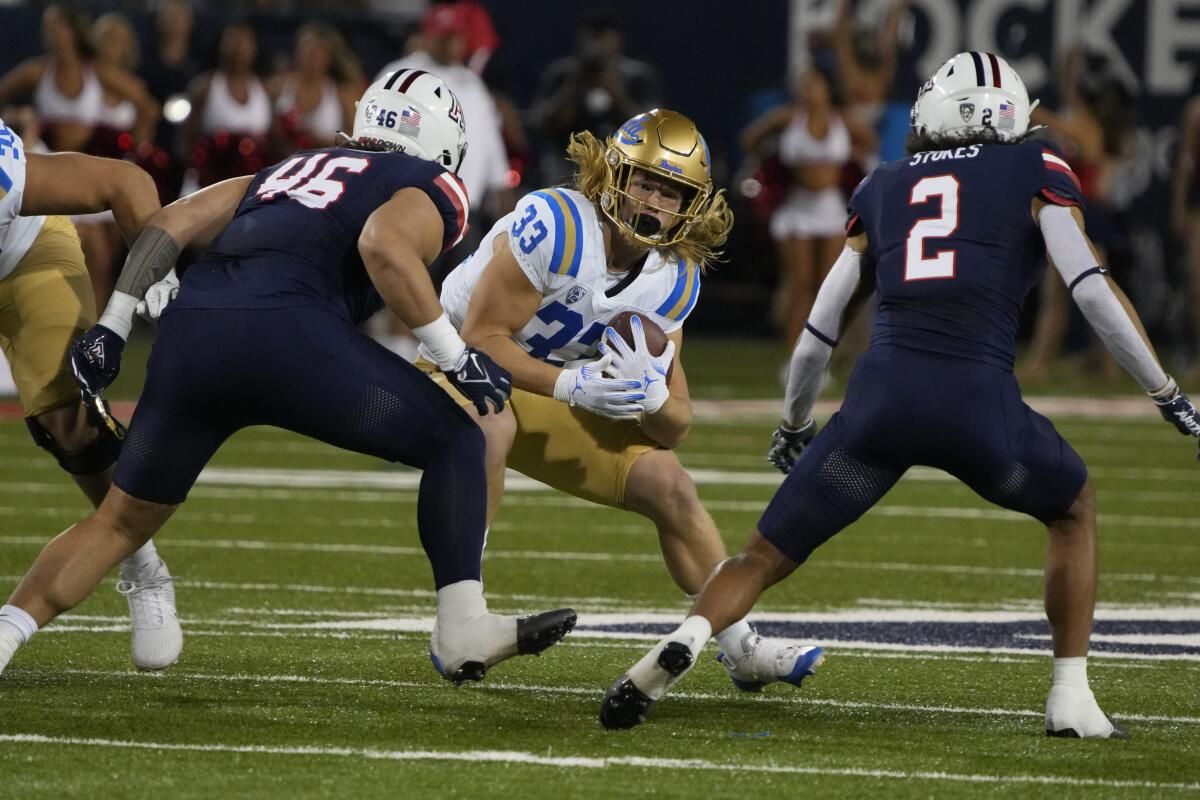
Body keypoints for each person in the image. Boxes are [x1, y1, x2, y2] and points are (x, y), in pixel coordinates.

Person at [600, 53, 1200, 736]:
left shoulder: (883, 183)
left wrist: (794, 425)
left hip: (877, 411)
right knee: (1072, 510)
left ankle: (688, 638)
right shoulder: (1034, 167)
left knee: (761, 558)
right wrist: (1165, 389)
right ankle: (1071, 698)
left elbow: (818, 331)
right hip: (977, 405)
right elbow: (1088, 284)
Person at [0, 71, 576, 684]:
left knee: (118, 520)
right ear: (443, 145)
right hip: (292, 336)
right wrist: (455, 356)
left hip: (194, 336)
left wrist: (115, 322)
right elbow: (385, 247)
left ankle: (8, 630)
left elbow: (171, 222)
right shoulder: (429, 183)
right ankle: (462, 626)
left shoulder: (288, 169)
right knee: (460, 437)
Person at [421, 107, 820, 694]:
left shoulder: (675, 277)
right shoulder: (556, 223)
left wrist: (653, 394)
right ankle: (463, 619)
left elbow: (675, 426)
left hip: (546, 386)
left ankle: (739, 647)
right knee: (490, 422)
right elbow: (481, 340)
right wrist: (573, 386)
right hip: (455, 363)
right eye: (645, 182)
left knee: (670, 484)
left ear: (693, 205)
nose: (654, 203)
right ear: (614, 177)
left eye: (672, 191)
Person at [0, 114, 181, 671]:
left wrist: (159, 275)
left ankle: (140, 559)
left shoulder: (7, 177)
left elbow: (122, 183)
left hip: (23, 254)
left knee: (69, 418)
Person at [742, 67, 853, 351]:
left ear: (827, 89)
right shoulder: (788, 117)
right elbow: (749, 139)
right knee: (799, 284)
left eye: (813, 85)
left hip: (831, 209)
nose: (807, 91)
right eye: (803, 86)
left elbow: (869, 146)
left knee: (827, 287)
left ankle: (821, 356)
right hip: (797, 208)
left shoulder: (843, 121)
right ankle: (794, 356)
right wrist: (770, 160)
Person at [0, 3, 157, 155]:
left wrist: (135, 151)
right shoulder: (37, 72)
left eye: (57, 24)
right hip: (50, 161)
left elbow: (148, 108)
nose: (51, 31)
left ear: (74, 29)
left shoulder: (96, 71)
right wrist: (14, 115)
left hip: (92, 162)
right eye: (47, 26)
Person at [531, 9, 662, 186]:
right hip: (568, 169)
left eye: (604, 39)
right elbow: (541, 124)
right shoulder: (562, 74)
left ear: (618, 40)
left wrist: (616, 90)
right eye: (593, 39)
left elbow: (652, 128)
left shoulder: (637, 76)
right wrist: (572, 87)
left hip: (621, 168)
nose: (598, 47)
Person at [181, 22, 272, 191]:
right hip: (209, 183)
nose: (238, 48)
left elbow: (274, 140)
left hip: (252, 186)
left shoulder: (266, 90)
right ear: (221, 46)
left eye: (244, 42)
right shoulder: (204, 87)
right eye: (232, 41)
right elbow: (185, 139)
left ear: (254, 49)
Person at [272, 22, 362, 151]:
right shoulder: (279, 87)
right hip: (285, 162)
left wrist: (316, 140)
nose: (312, 58)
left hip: (326, 164)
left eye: (317, 53)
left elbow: (356, 137)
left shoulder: (342, 91)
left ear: (329, 57)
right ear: (297, 52)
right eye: (307, 51)